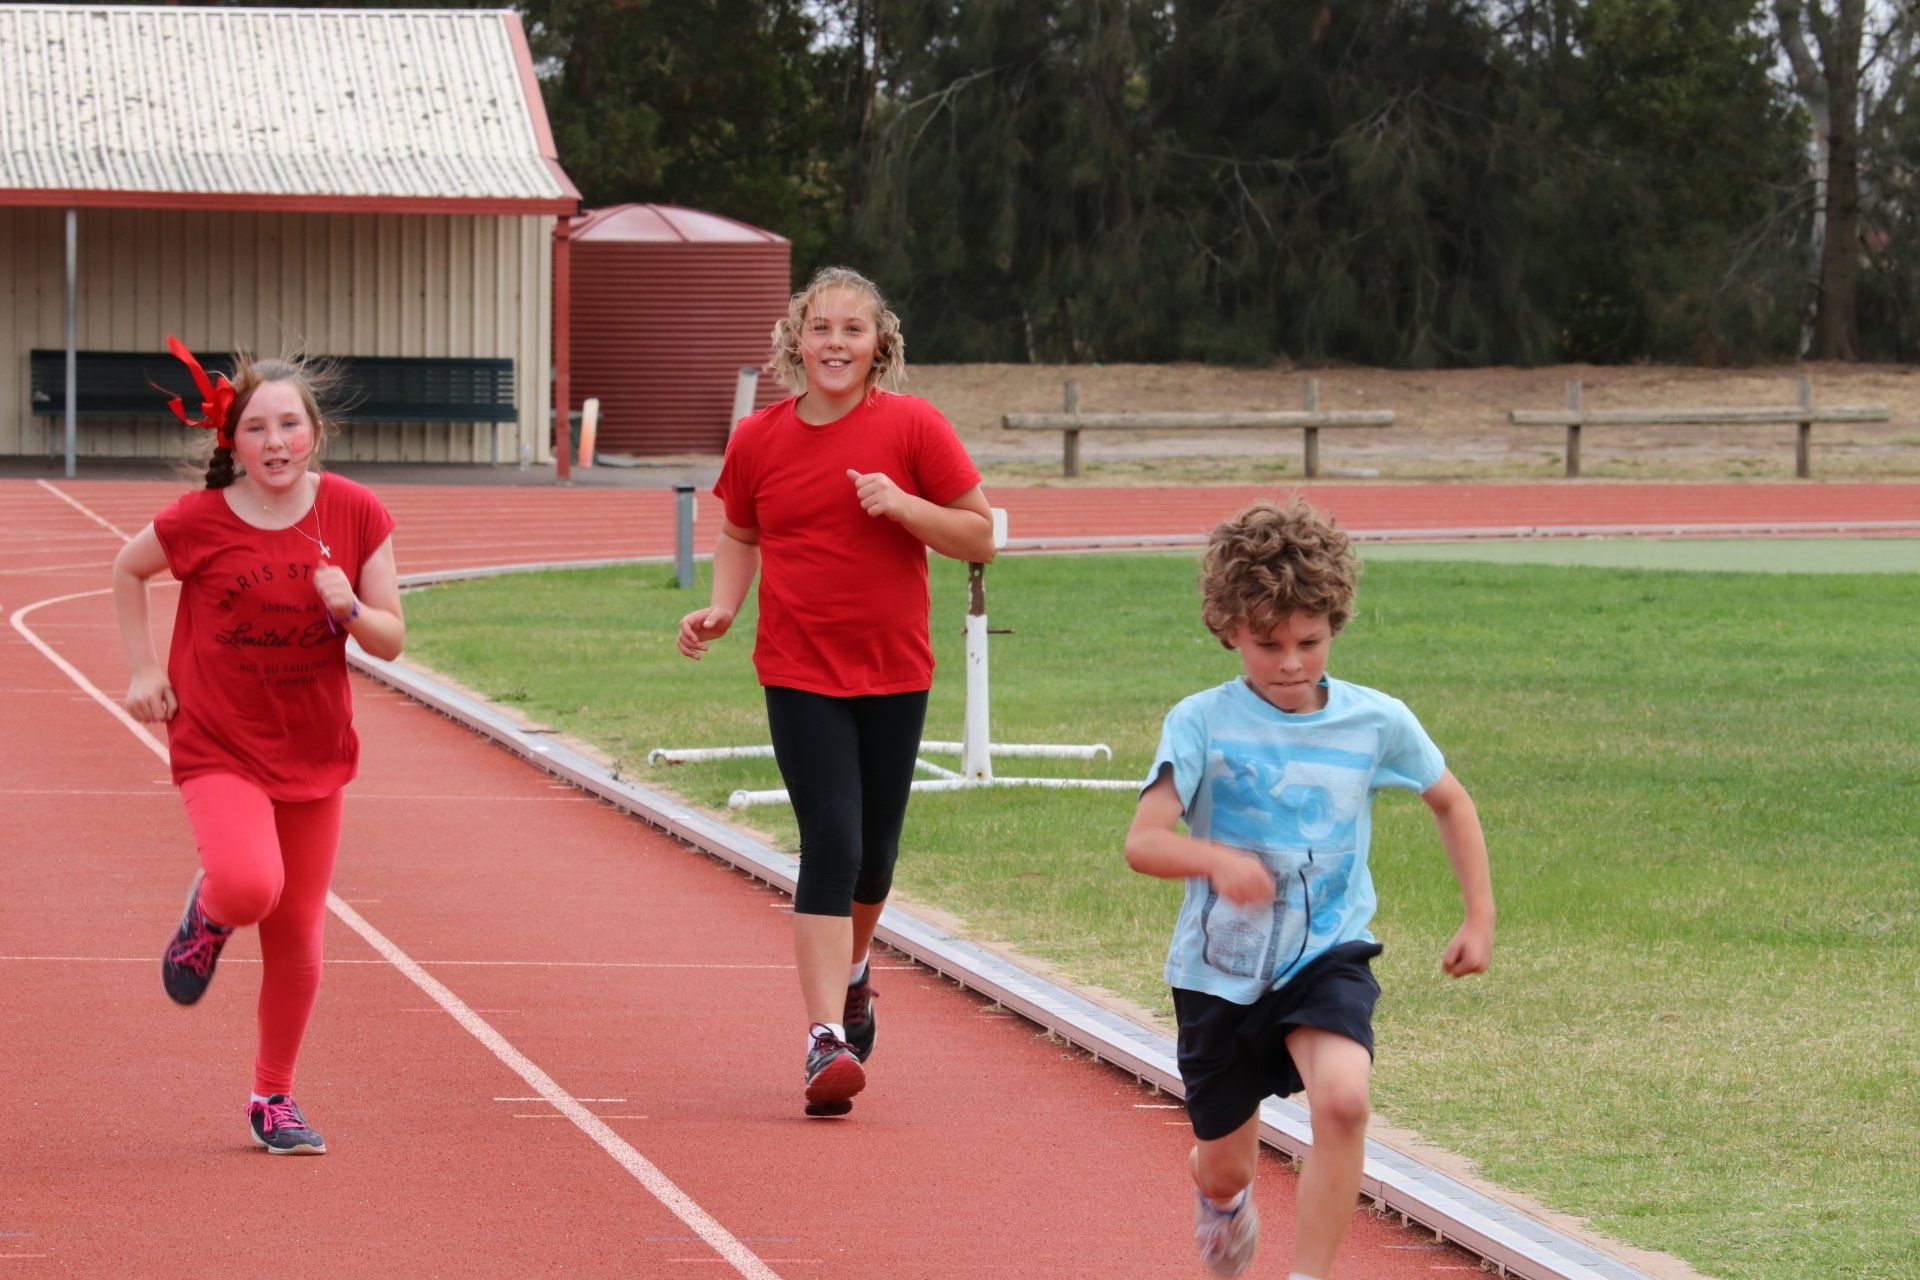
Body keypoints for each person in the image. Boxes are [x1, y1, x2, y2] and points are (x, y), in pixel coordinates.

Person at [1124, 499, 1494, 1279]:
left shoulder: (1376, 721)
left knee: (1344, 1101)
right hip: (1219, 971)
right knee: (1226, 1165)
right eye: (1268, 644)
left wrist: (1478, 917)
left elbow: (1450, 800)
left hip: (1327, 953)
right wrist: (1216, 861)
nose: (1291, 662)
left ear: (1336, 625)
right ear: (1229, 631)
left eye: (1310, 642)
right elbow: (1144, 841)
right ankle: (1220, 1202)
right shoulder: (1198, 723)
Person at [677, 267, 995, 1117]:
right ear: (796, 341)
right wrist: (722, 606)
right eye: (821, 328)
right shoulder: (760, 439)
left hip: (895, 668)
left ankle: (855, 974)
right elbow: (739, 534)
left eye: (853, 330)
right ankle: (824, 1039)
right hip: (798, 669)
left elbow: (980, 534)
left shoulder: (914, 427)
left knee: (876, 858)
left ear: (878, 344)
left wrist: (902, 507)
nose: (835, 344)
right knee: (833, 839)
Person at [112, 338, 404, 1155]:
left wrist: (349, 609)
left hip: (313, 747)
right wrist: (143, 669)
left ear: (315, 431)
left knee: (299, 930)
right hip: (217, 739)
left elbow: (391, 639)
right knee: (247, 885)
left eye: (289, 425)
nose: (274, 443)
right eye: (255, 429)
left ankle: (273, 1098)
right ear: (230, 443)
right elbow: (126, 571)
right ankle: (207, 918)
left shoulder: (355, 513)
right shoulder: (198, 521)